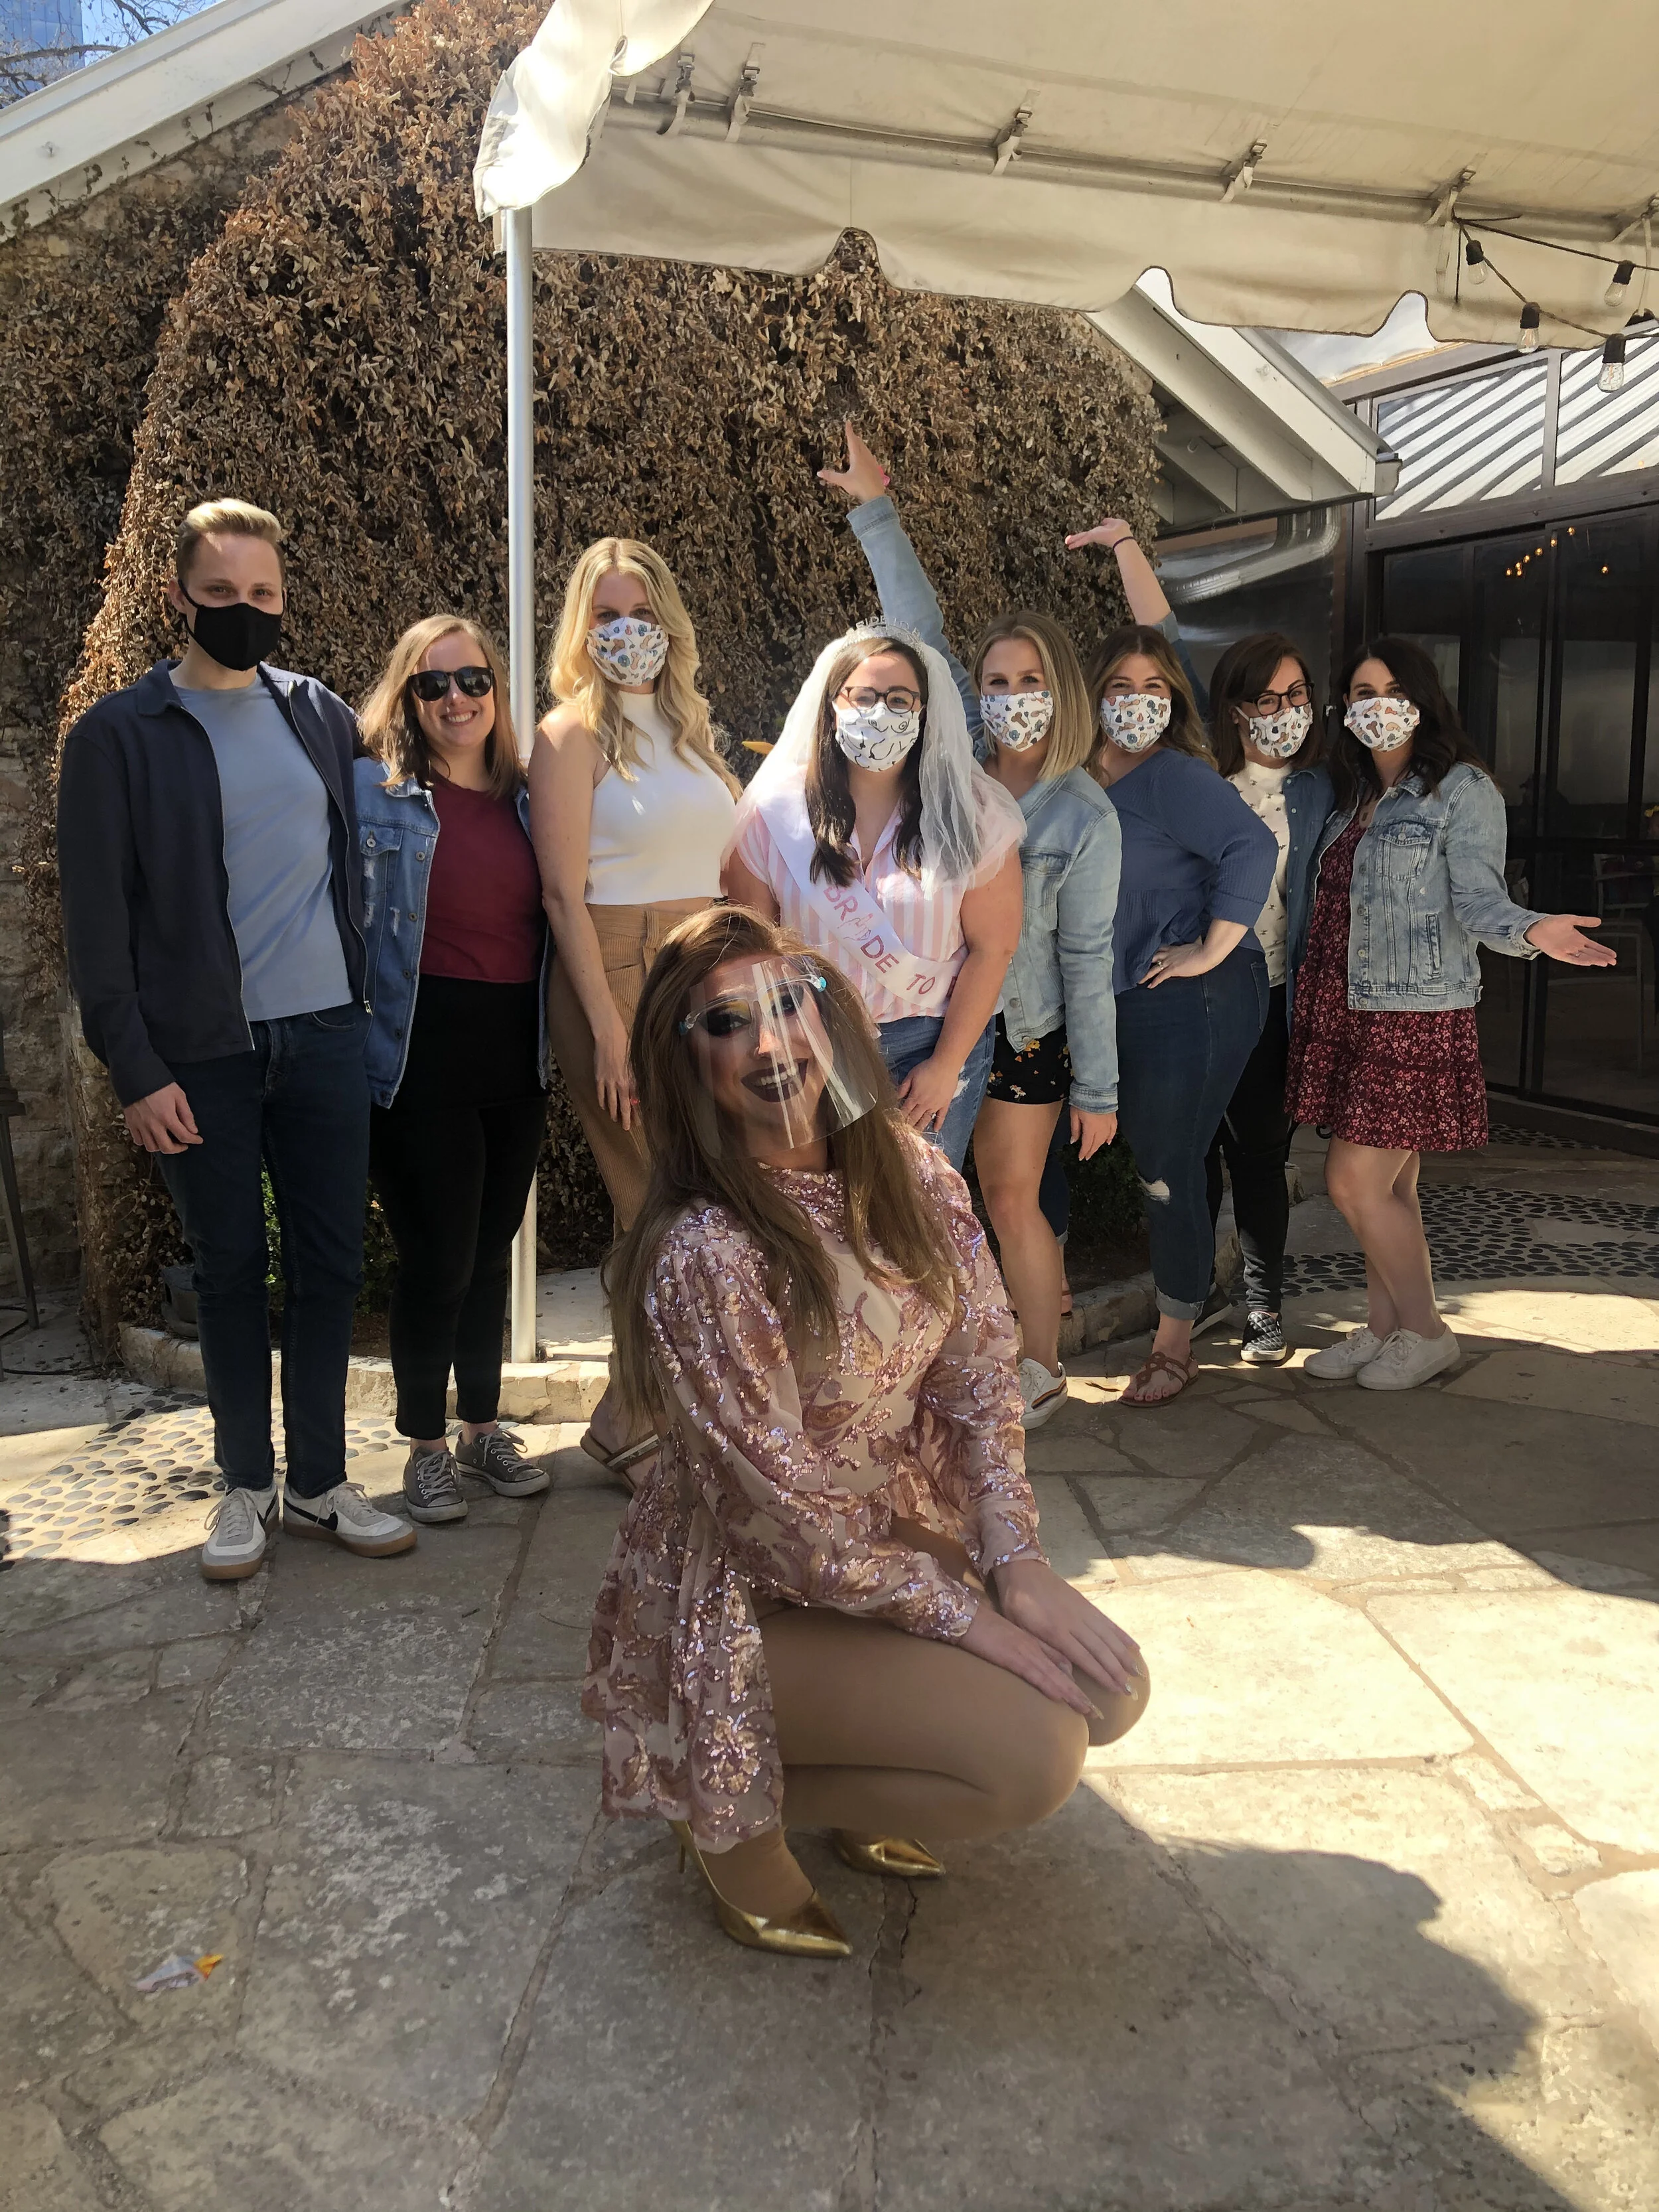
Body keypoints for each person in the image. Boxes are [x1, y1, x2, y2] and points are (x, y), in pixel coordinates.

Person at [585, 905, 1148, 1956]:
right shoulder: (707, 1251)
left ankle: (858, 1771)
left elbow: (982, 1379)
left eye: (789, 1003)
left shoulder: (912, 1173)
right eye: (728, 1023)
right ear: (686, 1061)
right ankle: (724, 1815)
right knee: (1034, 1753)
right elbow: (782, 1518)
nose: (772, 1042)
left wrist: (1014, 1560)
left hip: (874, 1543)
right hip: (746, 1592)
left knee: (1108, 1690)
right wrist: (965, 1618)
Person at [56, 498, 415, 1580]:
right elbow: (95, 922)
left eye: (262, 594)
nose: (244, 611)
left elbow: (382, 853)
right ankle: (245, 1483)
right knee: (227, 1268)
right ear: (179, 597)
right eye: (221, 595)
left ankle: (317, 1479)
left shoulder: (318, 714)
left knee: (328, 1264)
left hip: (323, 1036)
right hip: (202, 1052)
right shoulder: (117, 737)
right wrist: (135, 1065)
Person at [819, 423, 1121, 1428]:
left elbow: (1085, 956)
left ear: (1062, 691)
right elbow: (916, 628)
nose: (1011, 698)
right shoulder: (952, 777)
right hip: (936, 1029)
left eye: (1031, 681)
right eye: (995, 683)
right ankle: (943, 1368)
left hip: (1021, 1034)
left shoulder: (1082, 811)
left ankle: (1035, 1368)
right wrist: (875, 509)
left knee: (1006, 1198)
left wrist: (1100, 1087)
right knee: (926, 1207)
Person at [1289, 637, 1614, 1390]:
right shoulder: (1349, 794)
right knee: (1390, 1189)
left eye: (1393, 689)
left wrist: (1531, 930)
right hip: (1345, 1008)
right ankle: (1384, 1328)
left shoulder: (1462, 790)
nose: (1378, 706)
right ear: (1345, 709)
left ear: (1424, 698)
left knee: (1354, 1183)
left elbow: (1476, 899)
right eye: (1362, 693)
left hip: (1411, 1011)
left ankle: (1428, 1334)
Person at [529, 538, 740, 1480]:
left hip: (700, 972)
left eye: (643, 615)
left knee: (695, 1202)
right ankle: (642, 1419)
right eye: (608, 615)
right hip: (614, 971)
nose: (627, 633)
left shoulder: (693, 730)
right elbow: (562, 895)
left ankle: (629, 1411)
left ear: (669, 624)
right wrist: (611, 1032)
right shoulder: (568, 734)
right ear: (583, 626)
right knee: (650, 1205)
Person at [355, 616, 554, 1524]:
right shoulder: (376, 794)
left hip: (516, 1049)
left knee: (490, 1253)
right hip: (417, 1049)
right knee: (437, 1258)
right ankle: (426, 1447)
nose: (456, 700)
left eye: (472, 680)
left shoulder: (530, 796)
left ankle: (483, 1429)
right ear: (407, 697)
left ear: (496, 691)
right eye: (432, 686)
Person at [723, 617, 1025, 1172]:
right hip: (812, 1048)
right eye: (863, 696)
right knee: (822, 1221)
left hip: (928, 1049)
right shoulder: (775, 815)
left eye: (899, 699)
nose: (880, 711)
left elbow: (993, 948)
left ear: (924, 712)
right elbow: (751, 955)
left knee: (921, 1227)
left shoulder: (972, 816)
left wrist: (946, 1064)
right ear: (833, 704)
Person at [1075, 618, 1279, 1406]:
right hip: (1124, 994)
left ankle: (1172, 1344)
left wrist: (1209, 949)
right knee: (1163, 1159)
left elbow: (1251, 849)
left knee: (1168, 1164)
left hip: (1185, 993)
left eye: (1154, 687)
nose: (1135, 702)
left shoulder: (1172, 776)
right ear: (1091, 694)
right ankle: (1192, 1300)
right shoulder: (1079, 780)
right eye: (1119, 686)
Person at [1196, 630, 1335, 1364]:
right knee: (1192, 1157)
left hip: (1277, 997)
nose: (1286, 711)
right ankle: (1186, 1297)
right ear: (1237, 709)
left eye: (1298, 695)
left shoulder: (1319, 790)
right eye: (1268, 698)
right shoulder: (1200, 784)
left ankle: (1261, 1306)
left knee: (1257, 1157)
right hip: (1199, 1000)